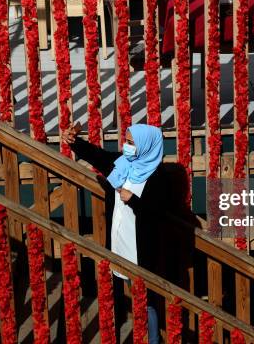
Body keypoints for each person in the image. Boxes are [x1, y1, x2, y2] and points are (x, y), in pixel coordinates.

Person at [62, 123, 170, 344]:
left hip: (141, 247)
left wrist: (134, 201)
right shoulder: (121, 162)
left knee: (147, 298)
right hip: (120, 241)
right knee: (129, 290)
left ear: (146, 146)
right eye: (126, 141)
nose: (126, 146)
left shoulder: (158, 177)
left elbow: (158, 214)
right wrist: (74, 142)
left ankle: (153, 339)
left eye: (131, 143)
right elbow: (96, 155)